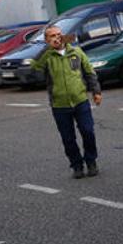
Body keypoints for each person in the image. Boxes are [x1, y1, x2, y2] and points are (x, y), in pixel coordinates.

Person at [31, 24, 102, 179]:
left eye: (58, 34)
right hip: (59, 105)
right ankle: (76, 165)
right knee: (68, 138)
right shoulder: (48, 56)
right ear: (47, 40)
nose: (56, 38)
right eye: (52, 36)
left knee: (88, 131)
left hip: (80, 100)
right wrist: (47, 50)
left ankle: (91, 161)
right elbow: (35, 70)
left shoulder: (76, 52)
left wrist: (96, 92)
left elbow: (89, 72)